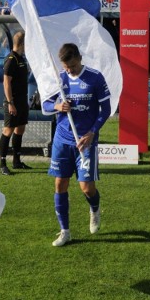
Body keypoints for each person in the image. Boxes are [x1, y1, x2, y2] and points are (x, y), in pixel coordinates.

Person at [42, 43, 111, 247]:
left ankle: (95, 208)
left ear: (79, 58)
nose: (69, 70)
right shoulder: (59, 78)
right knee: (60, 183)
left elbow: (105, 109)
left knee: (86, 187)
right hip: (62, 140)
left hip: (86, 140)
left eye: (72, 66)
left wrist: (92, 132)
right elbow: (44, 104)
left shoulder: (95, 77)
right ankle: (65, 231)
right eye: (66, 67)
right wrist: (57, 105)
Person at [0, 31, 32, 175]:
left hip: (22, 100)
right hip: (12, 101)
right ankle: (2, 163)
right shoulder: (11, 59)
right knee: (8, 130)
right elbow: (6, 82)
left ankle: (16, 161)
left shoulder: (21, 58)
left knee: (20, 129)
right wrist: (10, 102)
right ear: (23, 43)